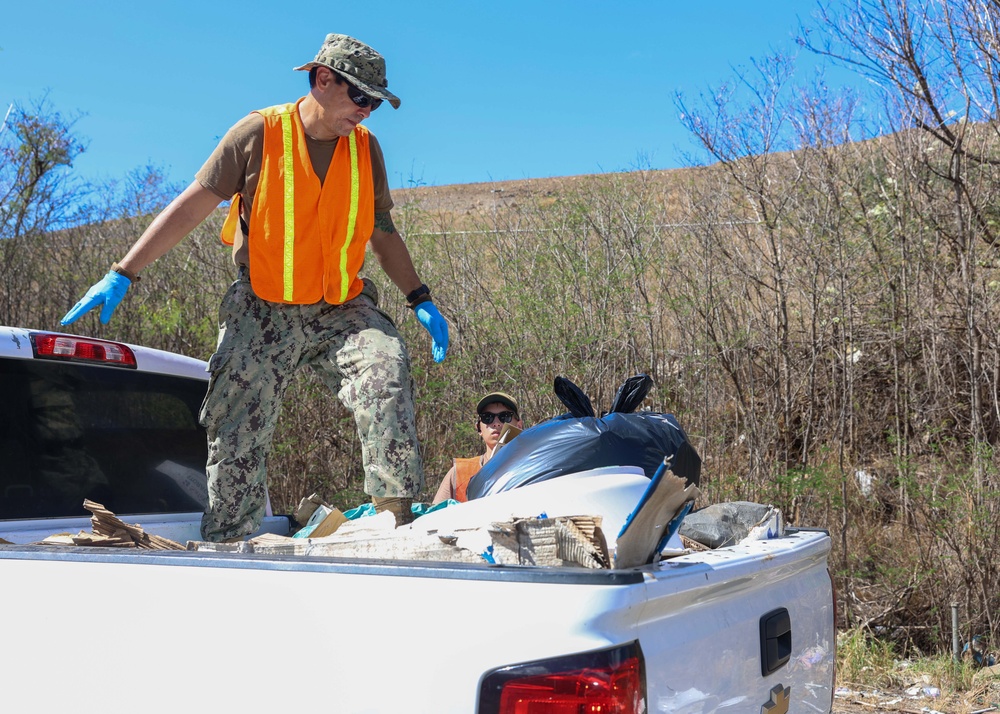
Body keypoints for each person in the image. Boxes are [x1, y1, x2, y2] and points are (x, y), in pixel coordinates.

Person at [61, 33, 449, 540]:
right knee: (236, 419)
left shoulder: (365, 149)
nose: (368, 110)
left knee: (386, 367)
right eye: (360, 97)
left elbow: (382, 231)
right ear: (323, 79)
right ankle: (231, 539)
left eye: (376, 102)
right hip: (262, 306)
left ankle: (396, 518)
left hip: (341, 306)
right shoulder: (258, 134)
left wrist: (420, 297)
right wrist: (123, 272)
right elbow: (192, 205)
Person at [433, 392, 523, 504]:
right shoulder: (459, 473)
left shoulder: (532, 466)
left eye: (504, 416)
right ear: (479, 428)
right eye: (488, 418)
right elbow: (435, 516)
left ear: (519, 425)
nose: (496, 423)